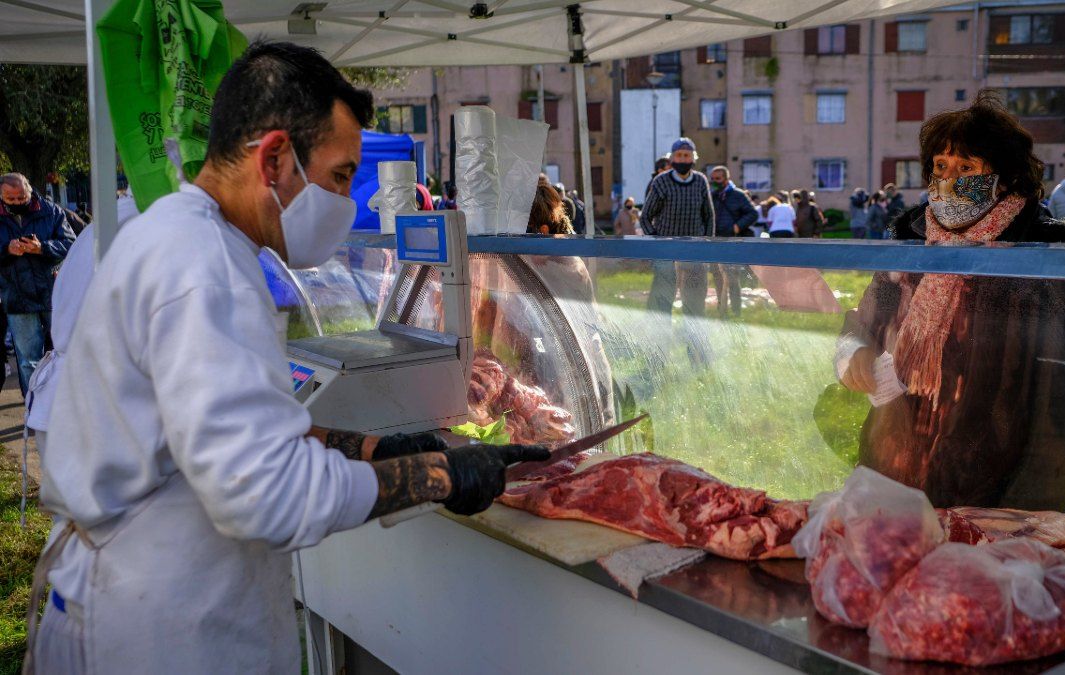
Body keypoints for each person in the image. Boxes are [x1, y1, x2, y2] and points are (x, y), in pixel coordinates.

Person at [26, 41, 548, 673]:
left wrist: (375, 449)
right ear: (274, 157)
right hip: (157, 624)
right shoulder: (204, 269)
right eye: (337, 177)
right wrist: (438, 477)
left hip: (143, 594)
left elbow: (219, 433)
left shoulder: (177, 238)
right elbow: (265, 492)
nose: (346, 201)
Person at [837, 93, 1065, 511]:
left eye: (966, 167)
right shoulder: (913, 242)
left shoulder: (1047, 257)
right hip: (892, 468)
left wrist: (1024, 514)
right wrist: (856, 350)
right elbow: (865, 322)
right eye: (940, 166)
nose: (948, 180)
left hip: (991, 490)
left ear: (1005, 177)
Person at [0, 173, 76, 395]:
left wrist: (41, 247)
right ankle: (34, 408)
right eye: (10, 199)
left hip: (53, 293)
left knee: (66, 351)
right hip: (17, 296)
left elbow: (71, 244)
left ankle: (68, 402)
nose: (17, 203)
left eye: (21, 198)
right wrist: (7, 250)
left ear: (30, 191)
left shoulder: (51, 211)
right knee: (27, 360)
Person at [641, 137, 715, 359]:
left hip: (694, 254)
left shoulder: (701, 182)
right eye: (679, 155)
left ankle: (697, 355)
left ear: (694, 158)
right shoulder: (662, 182)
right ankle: (658, 354)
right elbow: (646, 217)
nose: (683, 159)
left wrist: (707, 246)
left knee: (694, 308)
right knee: (662, 306)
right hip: (666, 256)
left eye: (687, 155)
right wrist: (657, 244)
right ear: (672, 158)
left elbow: (709, 216)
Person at [710, 165, 757, 317]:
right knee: (717, 275)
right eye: (713, 179)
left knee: (732, 278)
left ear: (726, 178)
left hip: (733, 240)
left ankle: (736, 310)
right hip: (716, 240)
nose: (715, 181)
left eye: (718, 179)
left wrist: (738, 226)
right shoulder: (712, 196)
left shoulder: (738, 195)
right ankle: (721, 308)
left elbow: (752, 213)